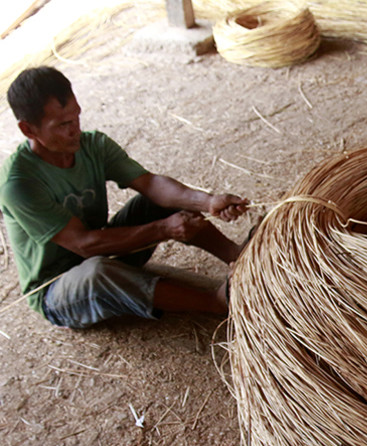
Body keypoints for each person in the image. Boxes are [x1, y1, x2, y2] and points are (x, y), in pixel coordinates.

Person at [0, 66, 250, 329]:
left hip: (101, 256)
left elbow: (151, 184)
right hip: (59, 291)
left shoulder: (92, 145)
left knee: (158, 203)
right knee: (96, 272)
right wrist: (164, 229)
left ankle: (239, 256)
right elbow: (84, 244)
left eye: (76, 117)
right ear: (28, 130)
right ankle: (216, 302)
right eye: (63, 125)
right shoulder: (18, 183)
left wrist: (207, 202)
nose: (75, 129)